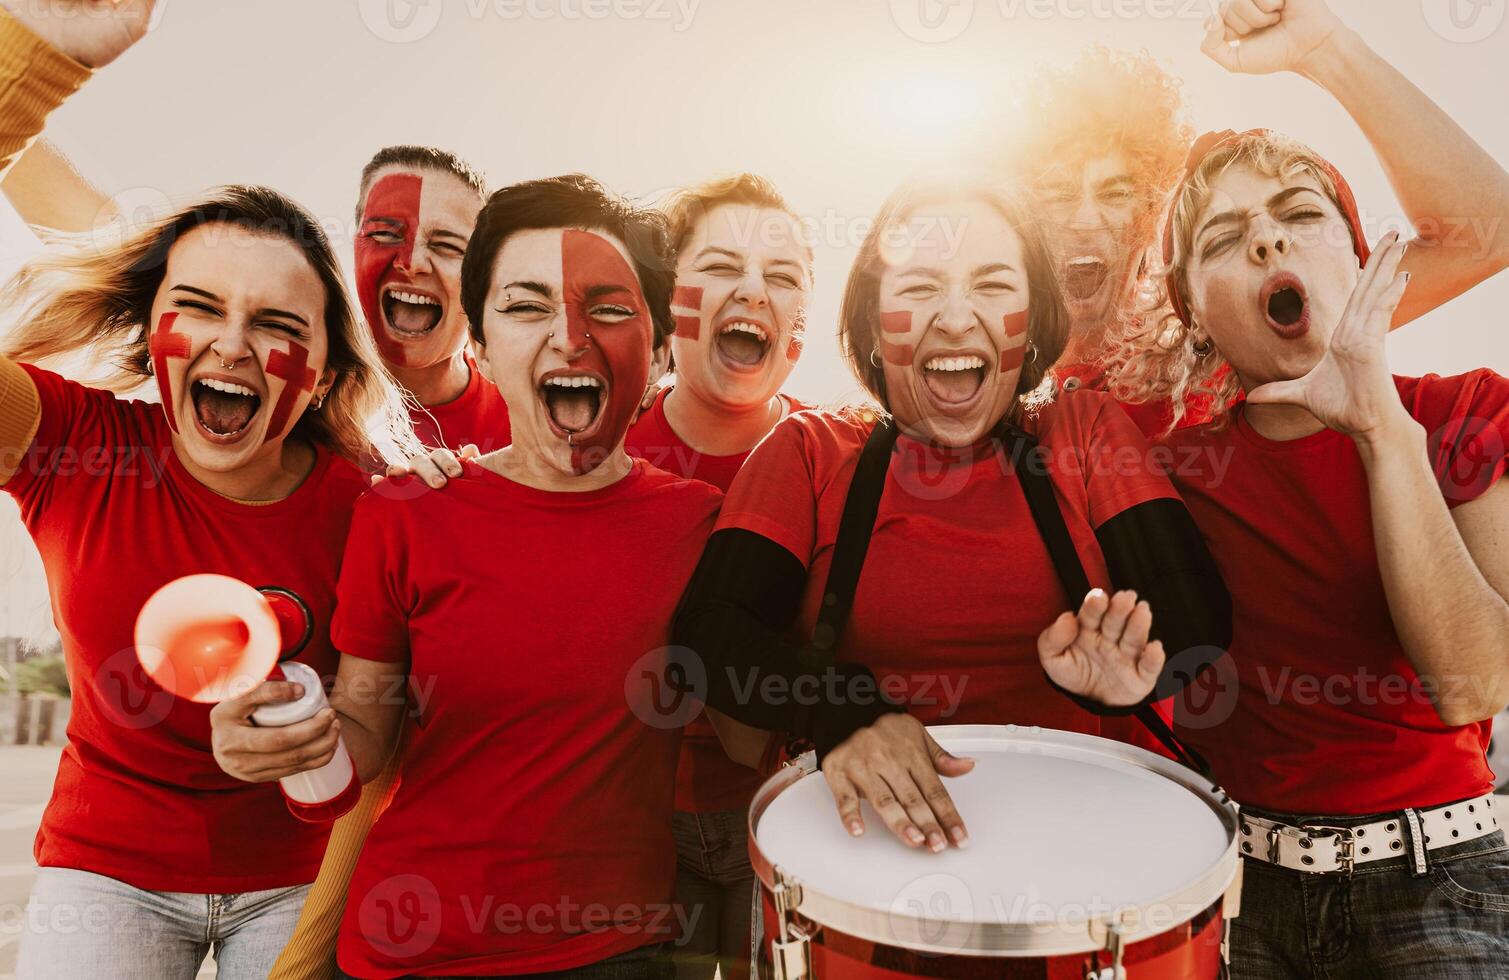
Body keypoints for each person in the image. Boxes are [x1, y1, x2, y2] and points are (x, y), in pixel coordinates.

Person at [212, 174, 728, 980]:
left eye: (611, 308)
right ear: (479, 344)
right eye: (525, 306)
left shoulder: (705, 524)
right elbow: (365, 736)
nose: (569, 337)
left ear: (660, 348)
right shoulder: (406, 510)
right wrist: (288, 733)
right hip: (405, 951)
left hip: (617, 953)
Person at [0, 5, 418, 977]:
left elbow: (381, 728)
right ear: (153, 337)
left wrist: (322, 748)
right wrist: (40, 61)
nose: (232, 341)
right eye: (198, 306)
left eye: (276, 321)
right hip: (107, 871)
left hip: (296, 880)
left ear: (314, 371)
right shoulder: (72, 440)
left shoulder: (370, 506)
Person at [672, 177, 1233, 856]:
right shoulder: (809, 452)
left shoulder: (1084, 432)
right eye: (917, 287)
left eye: (993, 285)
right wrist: (842, 709)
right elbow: (711, 636)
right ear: (874, 325)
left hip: (1089, 860)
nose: (956, 317)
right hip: (872, 861)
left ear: (1029, 325)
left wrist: (1133, 672)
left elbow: (1193, 609)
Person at [1121, 118, 1509, 977]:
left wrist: (1380, 427)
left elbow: (1475, 681)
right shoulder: (1170, 469)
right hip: (1244, 898)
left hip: (1441, 884)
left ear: (1364, 258)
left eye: (1297, 213)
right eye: (1223, 237)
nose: (1264, 236)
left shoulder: (1460, 411)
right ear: (1194, 315)